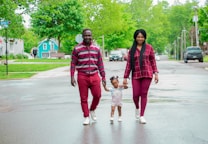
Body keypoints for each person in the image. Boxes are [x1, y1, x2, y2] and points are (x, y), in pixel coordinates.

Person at [70, 28, 106, 125]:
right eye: (85, 35)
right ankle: (86, 116)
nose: (87, 37)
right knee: (83, 98)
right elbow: (73, 63)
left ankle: (92, 109)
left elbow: (100, 64)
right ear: (82, 36)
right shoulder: (77, 49)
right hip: (82, 76)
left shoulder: (96, 49)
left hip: (94, 75)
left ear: (92, 36)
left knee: (97, 95)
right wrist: (72, 76)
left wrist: (103, 77)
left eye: (89, 35)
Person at [123, 29, 159, 124]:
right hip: (136, 74)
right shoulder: (132, 50)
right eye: (138, 37)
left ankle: (142, 115)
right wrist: (125, 77)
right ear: (135, 38)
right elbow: (129, 64)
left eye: (142, 37)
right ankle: (137, 108)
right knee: (135, 95)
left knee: (144, 94)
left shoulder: (149, 48)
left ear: (144, 38)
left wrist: (156, 73)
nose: (140, 38)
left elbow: (152, 61)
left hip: (147, 74)